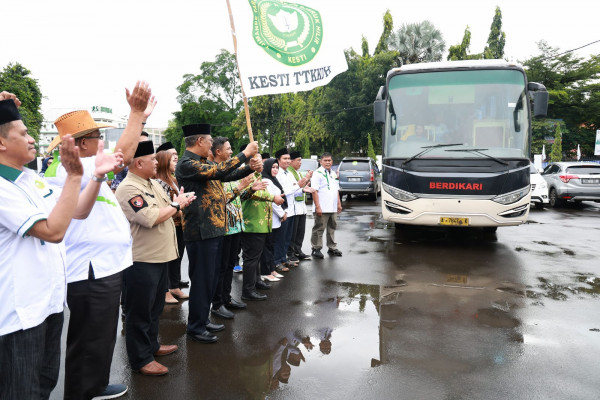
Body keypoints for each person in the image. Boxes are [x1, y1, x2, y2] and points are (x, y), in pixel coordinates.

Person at [0, 95, 121, 399]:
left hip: (48, 306)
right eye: (24, 133)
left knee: (44, 384)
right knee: (22, 391)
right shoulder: (3, 188)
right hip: (20, 315)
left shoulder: (30, 180)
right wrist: (77, 175)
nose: (32, 140)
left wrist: (95, 176)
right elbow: (52, 231)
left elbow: (76, 211)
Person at [43, 81, 155, 400]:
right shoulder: (74, 166)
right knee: (89, 339)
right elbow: (124, 154)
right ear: (80, 144)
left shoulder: (87, 167)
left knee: (101, 336)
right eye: (96, 137)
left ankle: (96, 385)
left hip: (102, 267)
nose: (101, 142)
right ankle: (82, 392)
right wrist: (136, 115)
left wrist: (139, 119)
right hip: (90, 271)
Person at [175, 123, 261, 344]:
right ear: (200, 141)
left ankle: (203, 320)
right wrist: (245, 153)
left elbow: (226, 175)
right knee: (202, 280)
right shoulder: (187, 164)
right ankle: (195, 326)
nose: (212, 145)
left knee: (210, 279)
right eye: (210, 141)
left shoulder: (202, 163)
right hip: (200, 231)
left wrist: (250, 167)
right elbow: (220, 170)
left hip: (214, 230)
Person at [115, 140, 195, 376]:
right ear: (139, 163)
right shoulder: (129, 188)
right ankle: (140, 359)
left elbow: (169, 207)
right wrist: (176, 205)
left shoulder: (151, 183)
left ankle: (151, 346)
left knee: (154, 307)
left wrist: (179, 203)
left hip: (160, 257)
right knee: (139, 311)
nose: (155, 162)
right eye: (152, 159)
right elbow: (150, 217)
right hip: (142, 260)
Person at [209, 137, 267, 319]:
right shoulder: (215, 173)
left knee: (229, 266)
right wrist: (242, 186)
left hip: (235, 227)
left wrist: (249, 189)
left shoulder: (230, 171)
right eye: (228, 148)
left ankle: (227, 299)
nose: (231, 151)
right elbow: (221, 199)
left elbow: (238, 197)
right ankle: (217, 304)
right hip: (224, 227)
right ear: (218, 151)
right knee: (221, 268)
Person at [240, 156, 285, 301]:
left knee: (257, 257)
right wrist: (273, 198)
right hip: (252, 223)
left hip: (262, 223)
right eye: (258, 160)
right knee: (251, 259)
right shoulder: (246, 176)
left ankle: (257, 281)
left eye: (262, 160)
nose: (262, 163)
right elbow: (253, 194)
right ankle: (248, 290)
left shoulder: (258, 176)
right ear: (250, 162)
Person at [155, 149, 189, 304]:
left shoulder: (173, 180)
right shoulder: (158, 182)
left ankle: (174, 286)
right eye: (172, 160)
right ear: (164, 163)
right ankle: (165, 291)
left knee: (177, 256)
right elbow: (166, 205)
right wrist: (180, 209)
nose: (175, 162)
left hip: (179, 224)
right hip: (169, 222)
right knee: (167, 259)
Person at [273, 148, 311, 268]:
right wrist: (298, 186)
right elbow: (283, 192)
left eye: (289, 158)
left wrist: (302, 186)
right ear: (278, 160)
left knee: (287, 238)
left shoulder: (288, 173)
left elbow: (294, 188)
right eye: (285, 158)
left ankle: (284, 258)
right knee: (280, 239)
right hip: (283, 210)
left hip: (292, 210)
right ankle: (277, 261)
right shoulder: (277, 173)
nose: (288, 161)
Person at [310, 152, 343, 259]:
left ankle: (332, 247)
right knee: (319, 228)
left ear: (332, 162)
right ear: (321, 162)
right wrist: (318, 207)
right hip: (322, 207)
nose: (328, 162)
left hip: (332, 207)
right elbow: (314, 191)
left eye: (329, 160)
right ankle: (316, 248)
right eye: (325, 160)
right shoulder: (317, 173)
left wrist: (339, 204)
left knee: (332, 227)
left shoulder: (333, 173)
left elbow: (336, 190)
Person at [260, 158, 287, 282]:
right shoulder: (266, 180)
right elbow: (272, 201)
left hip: (275, 220)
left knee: (271, 246)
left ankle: (271, 269)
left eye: (277, 167)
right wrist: (282, 214)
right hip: (270, 218)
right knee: (267, 247)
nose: (275, 169)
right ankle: (265, 272)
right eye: (273, 167)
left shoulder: (273, 180)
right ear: (267, 168)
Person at [287, 151, 314, 261]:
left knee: (300, 231)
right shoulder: (289, 173)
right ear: (291, 161)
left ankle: (298, 250)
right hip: (293, 207)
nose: (300, 163)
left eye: (301, 160)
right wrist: (306, 179)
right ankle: (290, 253)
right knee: (292, 233)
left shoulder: (297, 172)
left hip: (301, 206)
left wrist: (307, 181)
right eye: (298, 160)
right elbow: (295, 187)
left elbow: (301, 186)